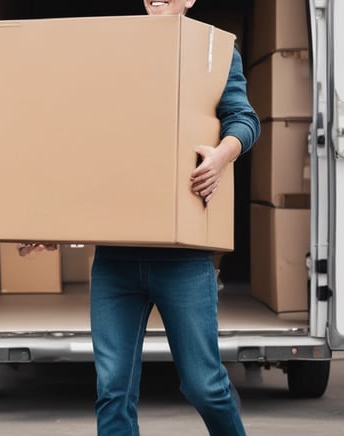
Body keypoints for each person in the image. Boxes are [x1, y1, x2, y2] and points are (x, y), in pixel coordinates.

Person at [22, 1, 259, 434]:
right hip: (116, 261)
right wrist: (51, 221)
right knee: (113, 389)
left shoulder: (214, 49)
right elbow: (86, 138)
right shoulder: (114, 50)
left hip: (183, 262)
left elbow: (243, 118)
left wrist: (222, 156)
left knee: (205, 386)